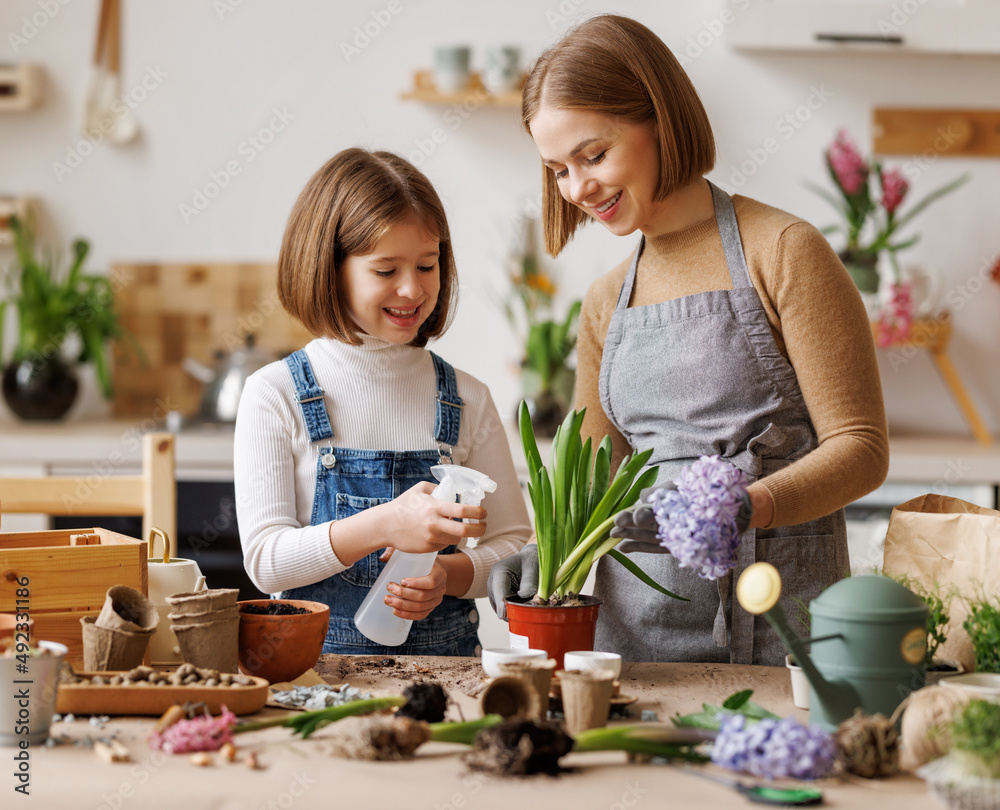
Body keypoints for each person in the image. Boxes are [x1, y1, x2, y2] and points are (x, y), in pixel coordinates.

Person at [488, 14, 889, 666]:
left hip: (779, 632)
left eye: (593, 155)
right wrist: (545, 552)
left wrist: (748, 506)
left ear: (660, 121)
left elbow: (862, 450)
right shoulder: (603, 301)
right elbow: (595, 482)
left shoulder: (784, 252)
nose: (577, 189)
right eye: (558, 169)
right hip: (636, 647)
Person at [235, 147, 531, 656]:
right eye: (385, 270)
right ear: (330, 269)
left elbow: (516, 548)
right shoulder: (276, 393)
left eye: (427, 264)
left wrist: (449, 574)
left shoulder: (466, 399)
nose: (413, 288)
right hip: (320, 679)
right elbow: (266, 562)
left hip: (447, 680)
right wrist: (384, 525)